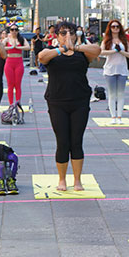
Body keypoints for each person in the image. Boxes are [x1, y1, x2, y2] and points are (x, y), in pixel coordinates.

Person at [38, 22, 101, 191]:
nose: (67, 35)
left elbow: (97, 51)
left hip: (79, 101)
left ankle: (77, 180)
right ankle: (61, 179)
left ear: (76, 35)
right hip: (57, 102)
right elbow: (42, 57)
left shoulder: (82, 53)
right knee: (62, 141)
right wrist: (62, 49)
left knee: (76, 141)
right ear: (56, 36)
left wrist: (76, 47)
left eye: (71, 32)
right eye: (63, 33)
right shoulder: (52, 53)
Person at [101, 20, 129, 124]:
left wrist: (121, 51)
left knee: (120, 93)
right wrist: (114, 51)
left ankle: (119, 117)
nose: (115, 29)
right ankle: (113, 117)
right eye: (113, 27)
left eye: (117, 27)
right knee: (112, 94)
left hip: (122, 69)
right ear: (109, 28)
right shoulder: (106, 40)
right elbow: (101, 52)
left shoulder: (124, 41)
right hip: (110, 69)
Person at [3, 24, 30, 107]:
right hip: (9, 62)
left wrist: (18, 47)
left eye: (16, 29)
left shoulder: (21, 39)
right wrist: (11, 48)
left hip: (19, 62)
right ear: (10, 31)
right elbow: (1, 47)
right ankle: (11, 104)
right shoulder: (7, 39)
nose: (14, 31)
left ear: (18, 31)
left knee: (18, 84)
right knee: (10, 85)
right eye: (12, 29)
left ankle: (18, 102)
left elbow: (28, 47)